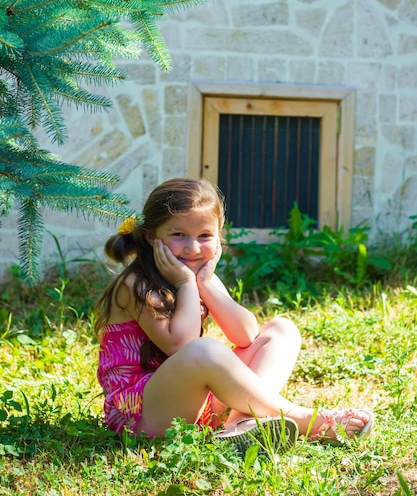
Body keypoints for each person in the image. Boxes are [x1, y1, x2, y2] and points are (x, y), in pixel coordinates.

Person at [94, 177, 374, 452]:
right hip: (142, 417)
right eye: (178, 235)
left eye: (205, 236)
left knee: (281, 330)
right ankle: (306, 419)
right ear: (151, 236)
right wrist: (186, 284)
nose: (192, 248)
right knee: (203, 350)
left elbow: (246, 335)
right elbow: (181, 345)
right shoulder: (137, 284)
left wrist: (204, 284)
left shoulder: (198, 277)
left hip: (195, 409)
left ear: (219, 237)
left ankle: (241, 424)